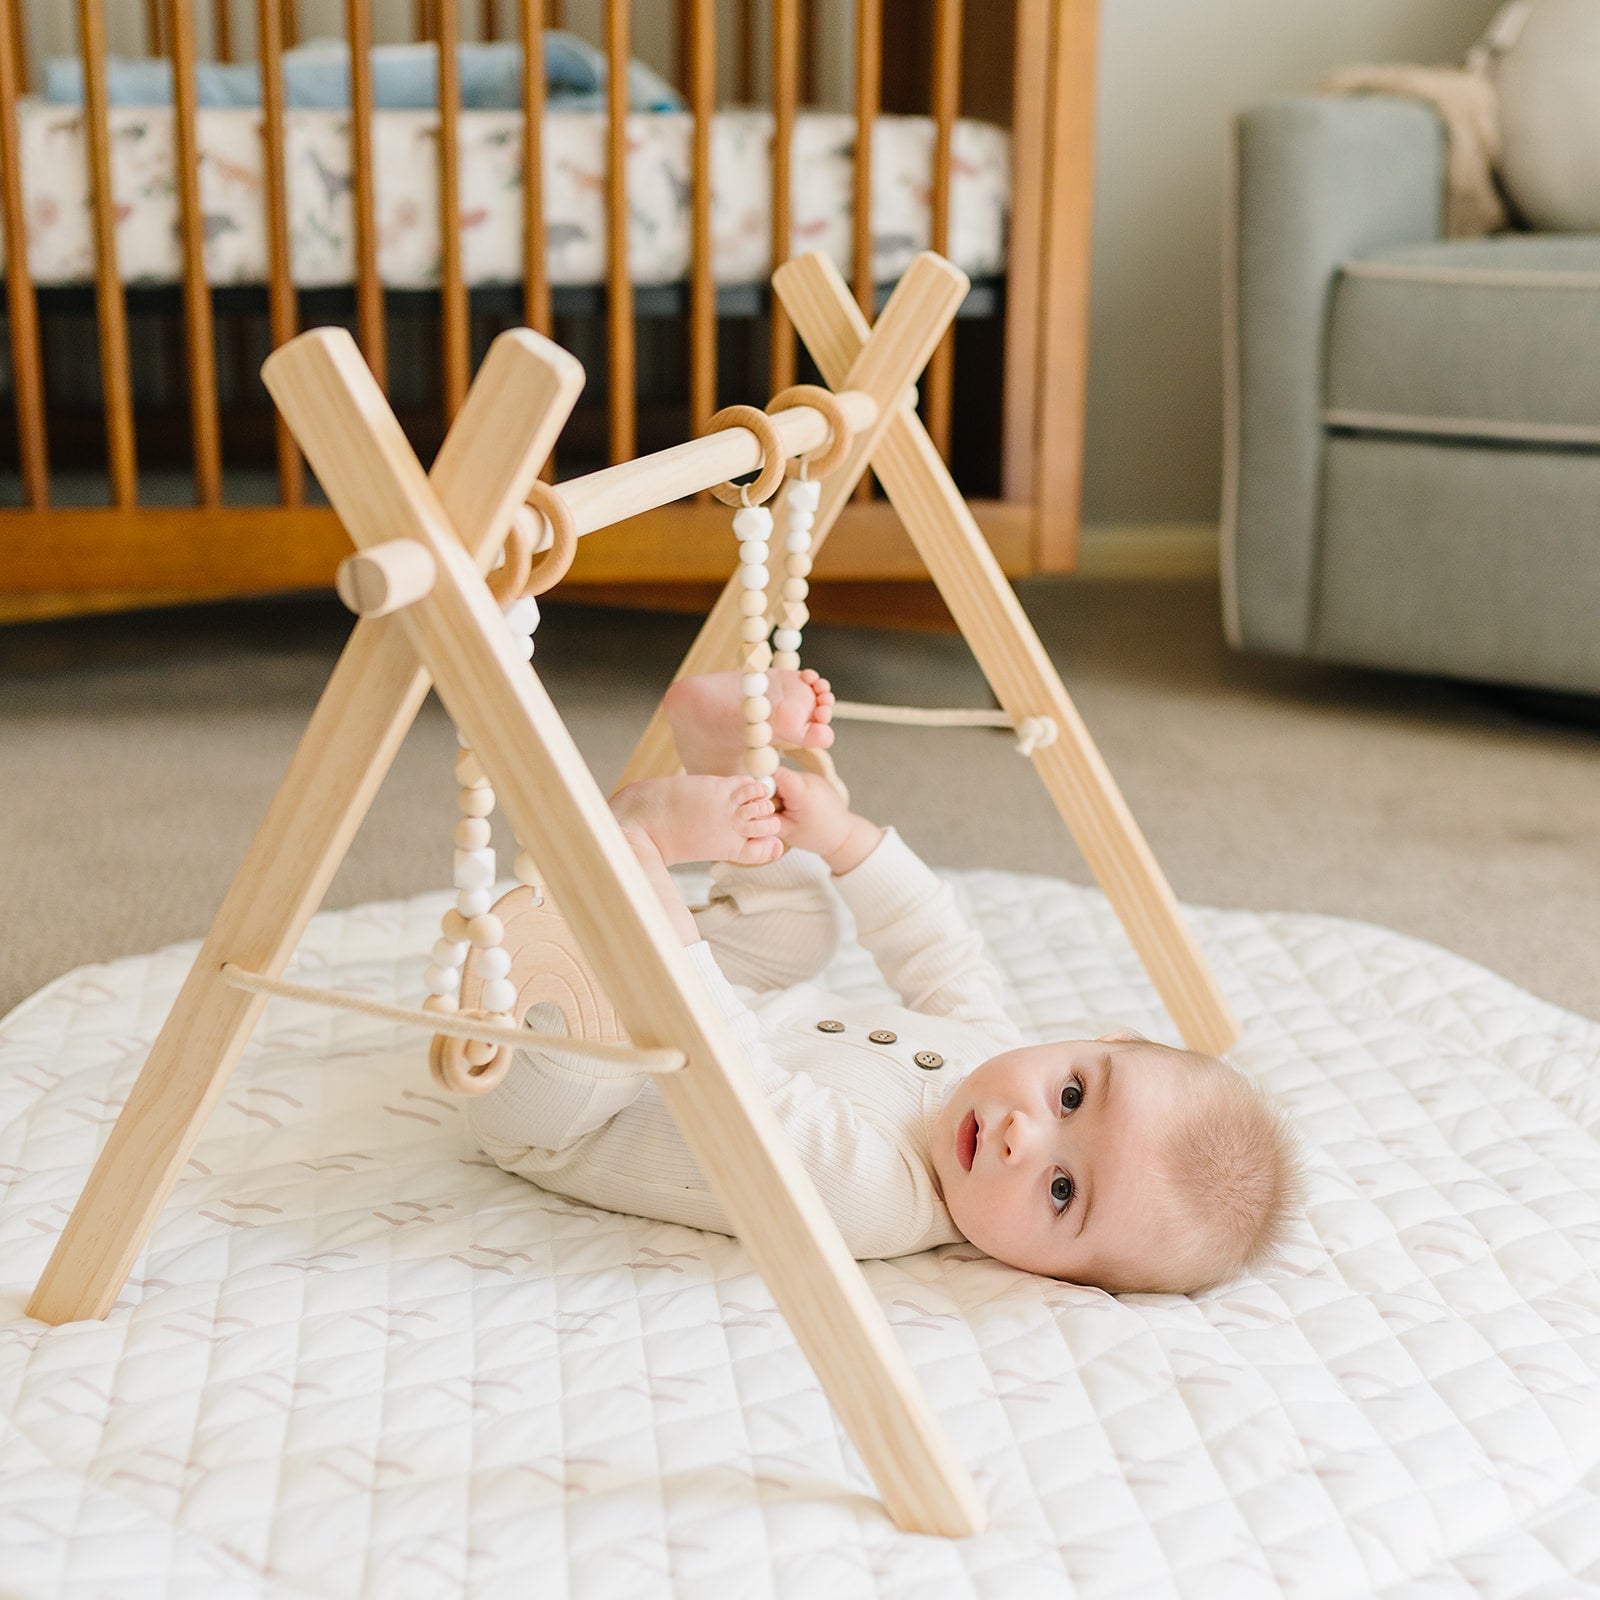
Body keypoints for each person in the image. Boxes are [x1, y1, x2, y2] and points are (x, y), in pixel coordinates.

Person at [466, 670, 1303, 1295]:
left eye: (1060, 1192)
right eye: (1073, 1096)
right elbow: (936, 945)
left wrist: (663, 926)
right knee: (804, 927)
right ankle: (724, 750)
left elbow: (734, 1078)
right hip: (743, 996)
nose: (1024, 1135)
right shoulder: (990, 1053)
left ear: (1058, 1276)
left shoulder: (879, 1199)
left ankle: (628, 847)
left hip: (571, 1111)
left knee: (603, 1040)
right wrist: (842, 838)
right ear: (1099, 1039)